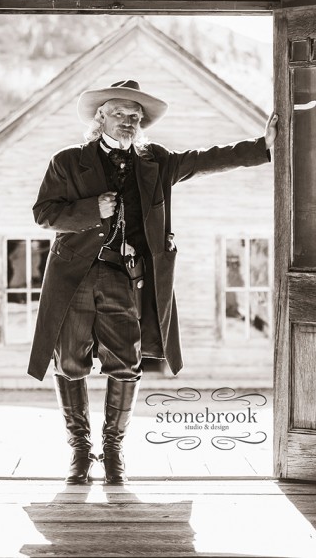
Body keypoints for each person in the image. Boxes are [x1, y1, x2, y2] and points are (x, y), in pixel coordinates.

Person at [27, 79, 278, 485]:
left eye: (136, 117)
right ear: (101, 117)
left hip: (126, 279)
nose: (129, 121)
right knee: (70, 363)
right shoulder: (68, 161)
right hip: (74, 277)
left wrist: (263, 146)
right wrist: (93, 209)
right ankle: (78, 452)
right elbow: (44, 214)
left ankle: (112, 451)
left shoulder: (155, 161)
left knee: (125, 365)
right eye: (121, 114)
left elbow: (205, 159)